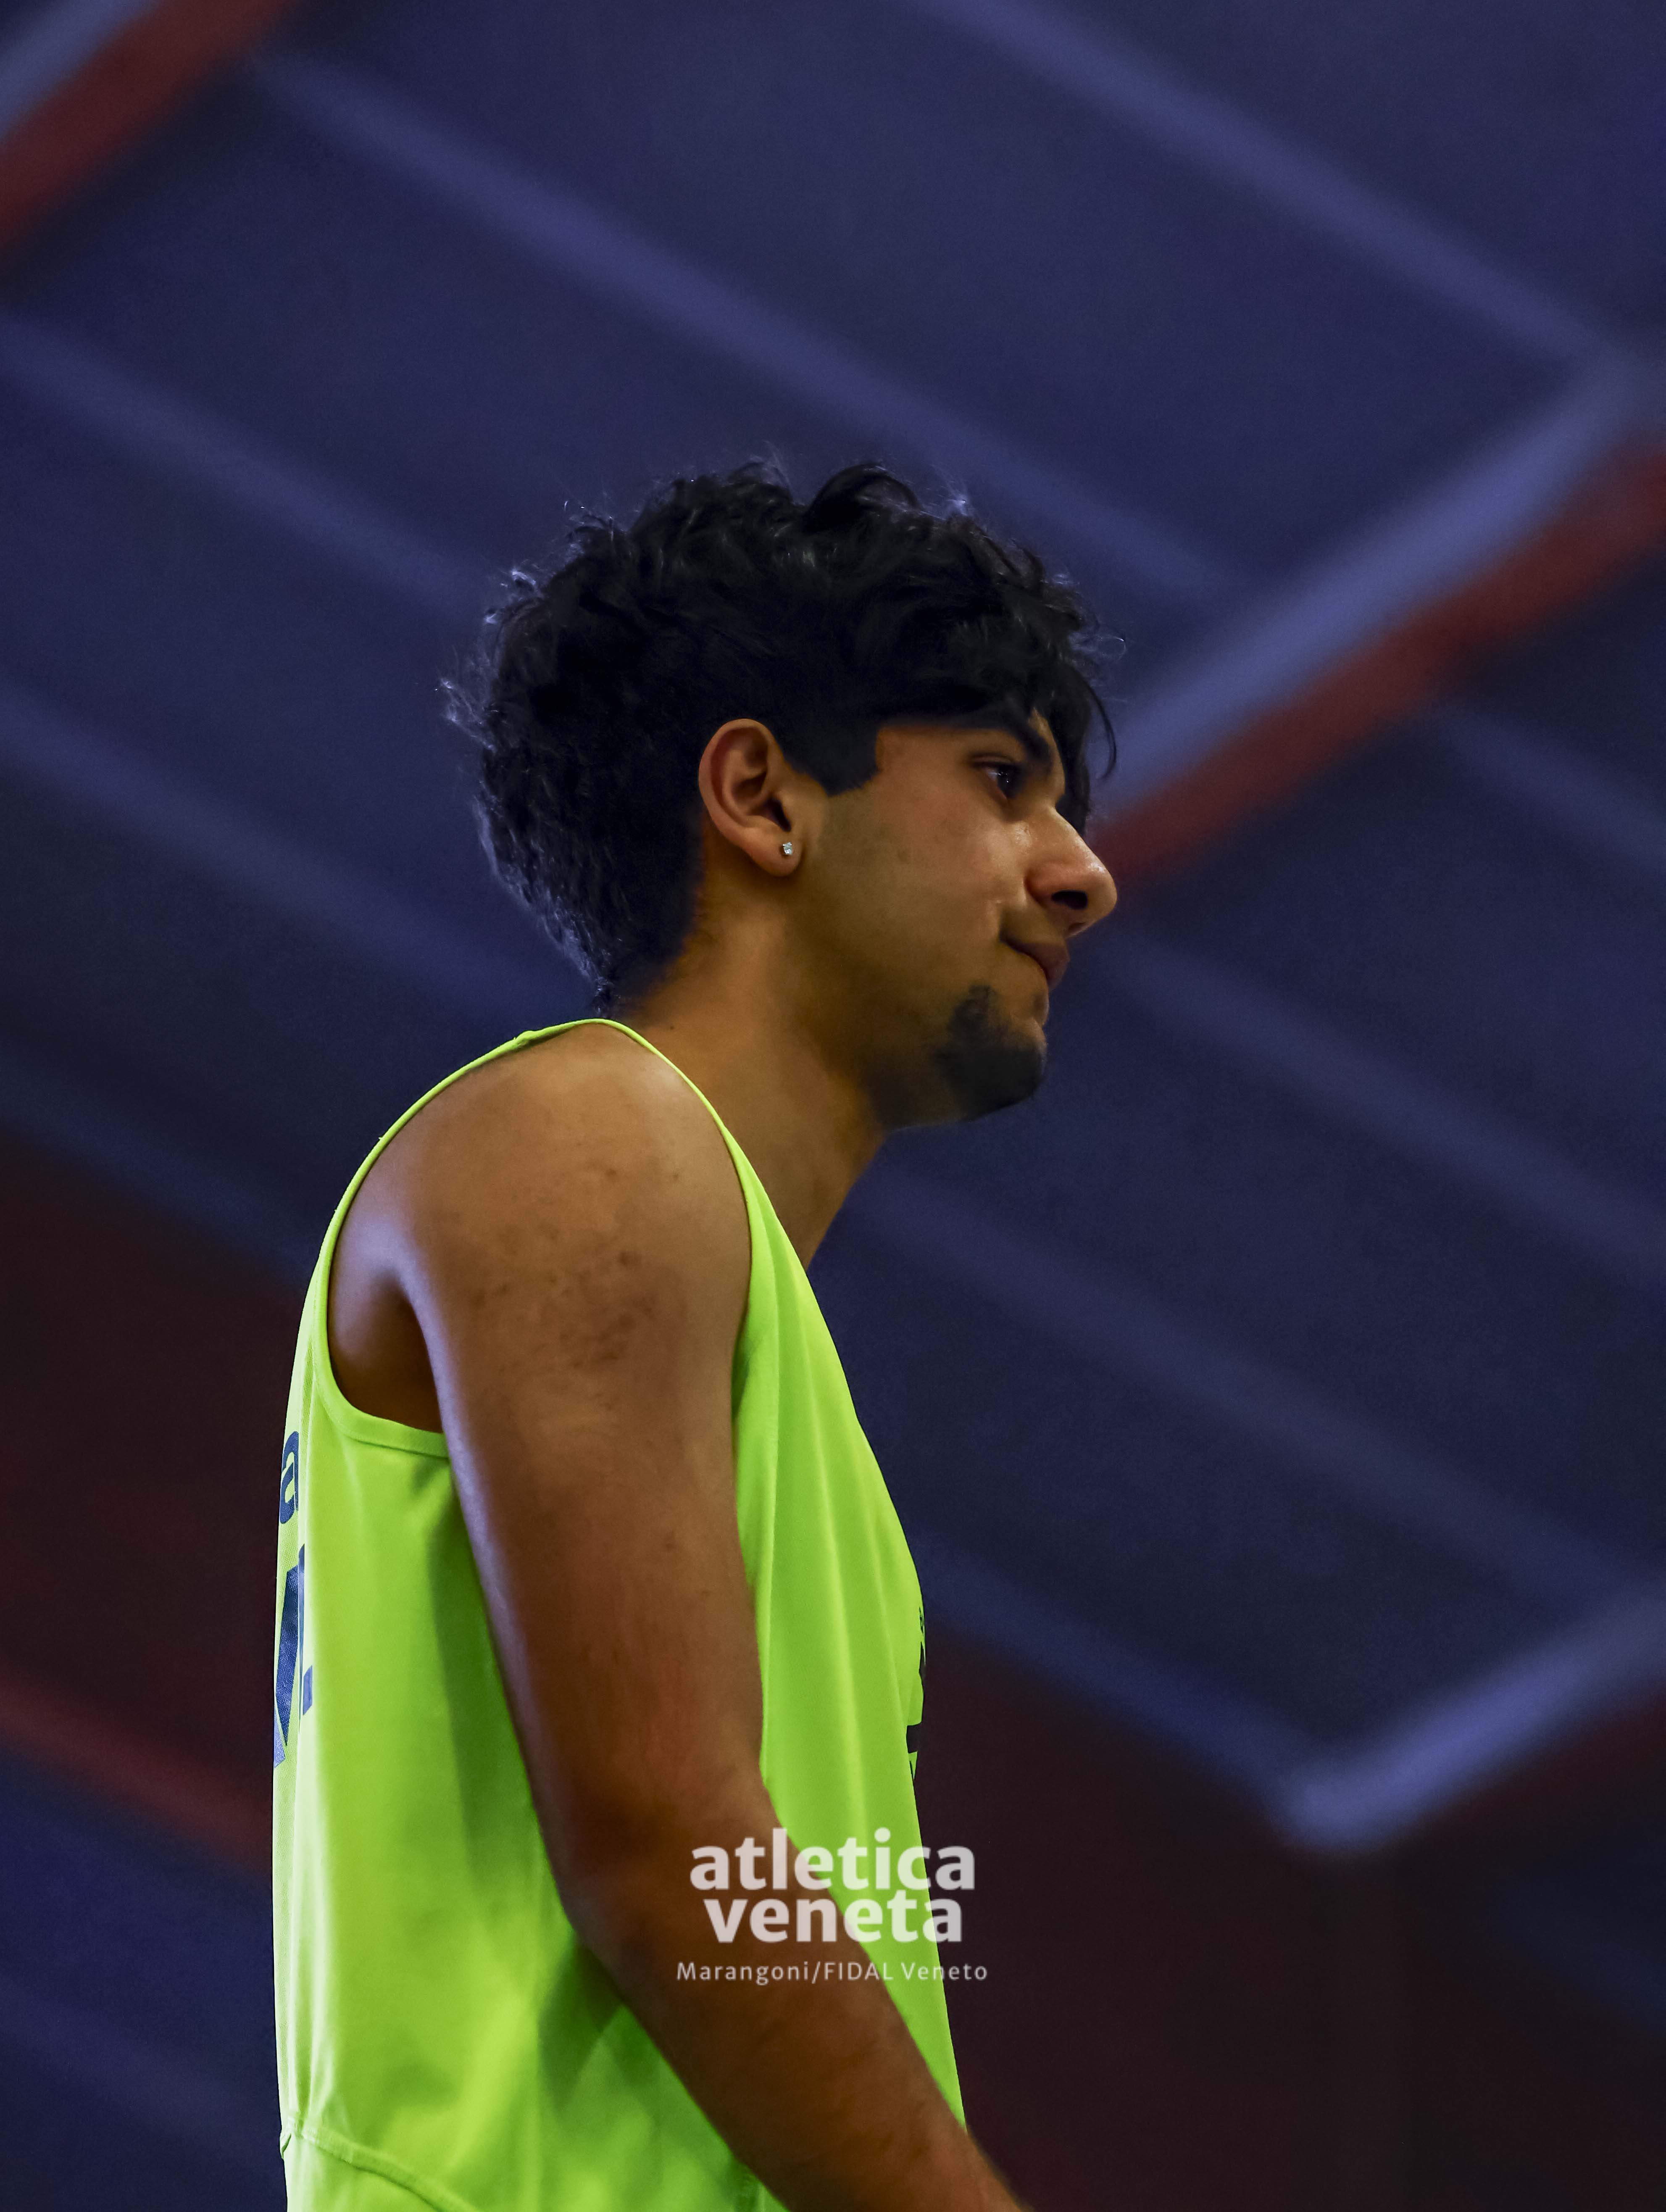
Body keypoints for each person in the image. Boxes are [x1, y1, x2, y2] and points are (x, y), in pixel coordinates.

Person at [271, 461, 1117, 2212]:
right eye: (1000, 778)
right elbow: (671, 1858)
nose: (1081, 872)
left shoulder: (762, 1351)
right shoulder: (586, 1134)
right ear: (759, 795)